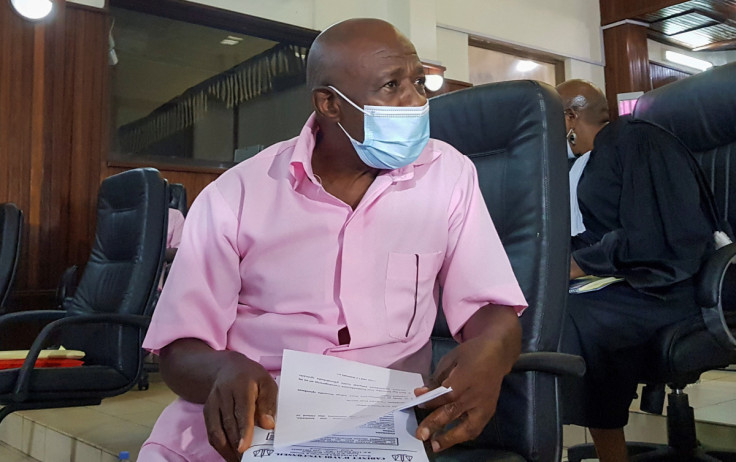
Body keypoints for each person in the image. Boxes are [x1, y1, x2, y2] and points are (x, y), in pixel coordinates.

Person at [138, 18, 526, 462]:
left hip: (385, 425)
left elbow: (488, 306)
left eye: (419, 82)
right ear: (330, 104)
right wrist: (223, 368)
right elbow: (178, 347)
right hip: (257, 413)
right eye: (391, 85)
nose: (416, 100)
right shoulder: (236, 194)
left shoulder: (448, 175)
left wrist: (492, 351)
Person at [557, 79, 722, 462]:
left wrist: (579, 264)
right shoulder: (596, 157)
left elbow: (652, 236)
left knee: (580, 319)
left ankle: (611, 453)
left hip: (676, 284)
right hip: (637, 279)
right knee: (546, 306)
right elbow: (600, 235)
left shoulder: (634, 140)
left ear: (570, 117)